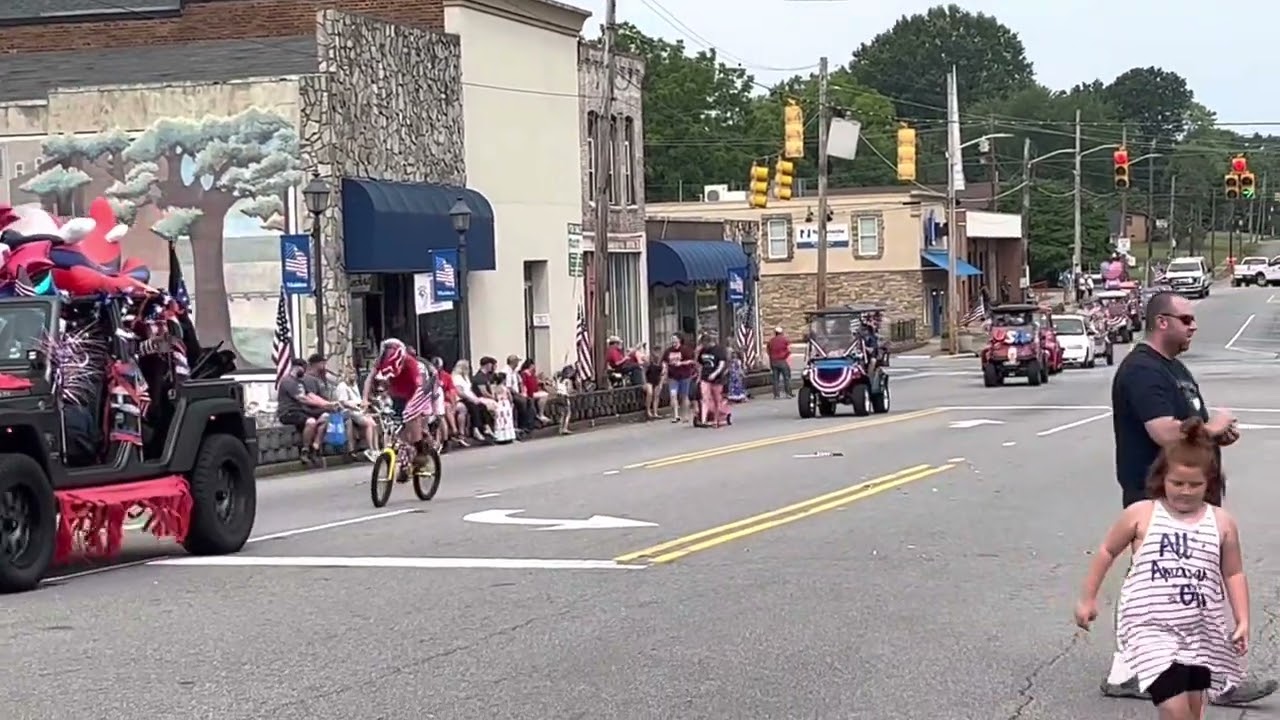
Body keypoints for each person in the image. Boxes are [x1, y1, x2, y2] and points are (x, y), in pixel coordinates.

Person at [1106, 290, 1275, 706]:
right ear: (1162, 322)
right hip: (1161, 498)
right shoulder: (1143, 371)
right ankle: (1202, 677)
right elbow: (1165, 433)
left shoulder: (1173, 368)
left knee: (1187, 585)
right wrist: (1213, 426)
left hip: (1189, 497)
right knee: (1166, 585)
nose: (1193, 326)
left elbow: (1188, 425)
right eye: (1186, 320)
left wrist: (1216, 436)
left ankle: (1146, 670)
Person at [1075, 417, 1247, 720]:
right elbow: (1106, 551)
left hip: (1201, 630)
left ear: (1210, 484)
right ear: (1161, 478)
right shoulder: (1141, 514)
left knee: (1194, 710)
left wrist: (1242, 619)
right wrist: (1087, 599)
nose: (1185, 491)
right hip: (1149, 628)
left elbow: (1233, 573)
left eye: (1195, 485)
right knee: (1173, 706)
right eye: (1176, 483)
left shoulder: (1221, 522)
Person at [363, 339, 430, 478]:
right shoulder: (381, 361)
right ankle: (403, 460)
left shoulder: (410, 362)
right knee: (397, 430)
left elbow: (419, 384)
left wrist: (414, 409)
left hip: (415, 392)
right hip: (398, 395)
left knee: (411, 420)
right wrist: (365, 399)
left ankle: (420, 452)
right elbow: (370, 378)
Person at [276, 357, 334, 466]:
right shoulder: (288, 381)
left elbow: (311, 395)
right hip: (289, 412)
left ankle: (315, 447)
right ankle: (305, 450)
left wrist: (328, 404)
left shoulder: (300, 382)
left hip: (302, 411)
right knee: (311, 422)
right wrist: (323, 404)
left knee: (325, 417)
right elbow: (302, 399)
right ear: (297, 368)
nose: (305, 371)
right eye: (304, 369)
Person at [332, 369, 378, 462]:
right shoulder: (342, 386)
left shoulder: (355, 385)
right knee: (369, 423)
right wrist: (356, 406)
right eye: (351, 373)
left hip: (359, 409)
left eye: (354, 373)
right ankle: (370, 449)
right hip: (348, 410)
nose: (353, 375)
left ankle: (376, 449)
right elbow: (343, 402)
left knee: (374, 423)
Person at [697, 333, 730, 428]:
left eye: (704, 344)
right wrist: (699, 376)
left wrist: (715, 374)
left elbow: (721, 364)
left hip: (717, 378)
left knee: (716, 399)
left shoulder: (719, 350)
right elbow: (700, 363)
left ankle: (716, 419)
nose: (704, 346)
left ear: (709, 342)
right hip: (705, 377)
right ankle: (703, 420)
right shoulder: (702, 351)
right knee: (704, 398)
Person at [662, 333, 696, 423]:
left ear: (679, 340)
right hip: (673, 376)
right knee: (673, 395)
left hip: (684, 375)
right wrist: (664, 369)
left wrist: (681, 363)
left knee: (684, 396)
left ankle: (685, 415)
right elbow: (664, 361)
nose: (673, 341)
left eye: (675, 339)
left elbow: (692, 361)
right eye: (672, 339)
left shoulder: (685, 350)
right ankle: (676, 415)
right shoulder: (668, 351)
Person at [766, 327, 793, 399]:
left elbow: (768, 350)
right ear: (781, 333)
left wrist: (772, 356)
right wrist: (785, 356)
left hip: (773, 361)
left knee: (775, 379)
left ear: (775, 333)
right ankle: (788, 393)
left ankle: (776, 395)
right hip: (782, 360)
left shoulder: (771, 341)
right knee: (786, 377)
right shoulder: (785, 340)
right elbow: (789, 350)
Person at [644, 350, 665, 419]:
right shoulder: (649, 363)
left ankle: (655, 412)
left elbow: (662, 375)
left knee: (656, 395)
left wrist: (661, 384)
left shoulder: (661, 364)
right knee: (650, 393)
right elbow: (644, 372)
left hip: (657, 381)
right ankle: (648, 410)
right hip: (648, 381)